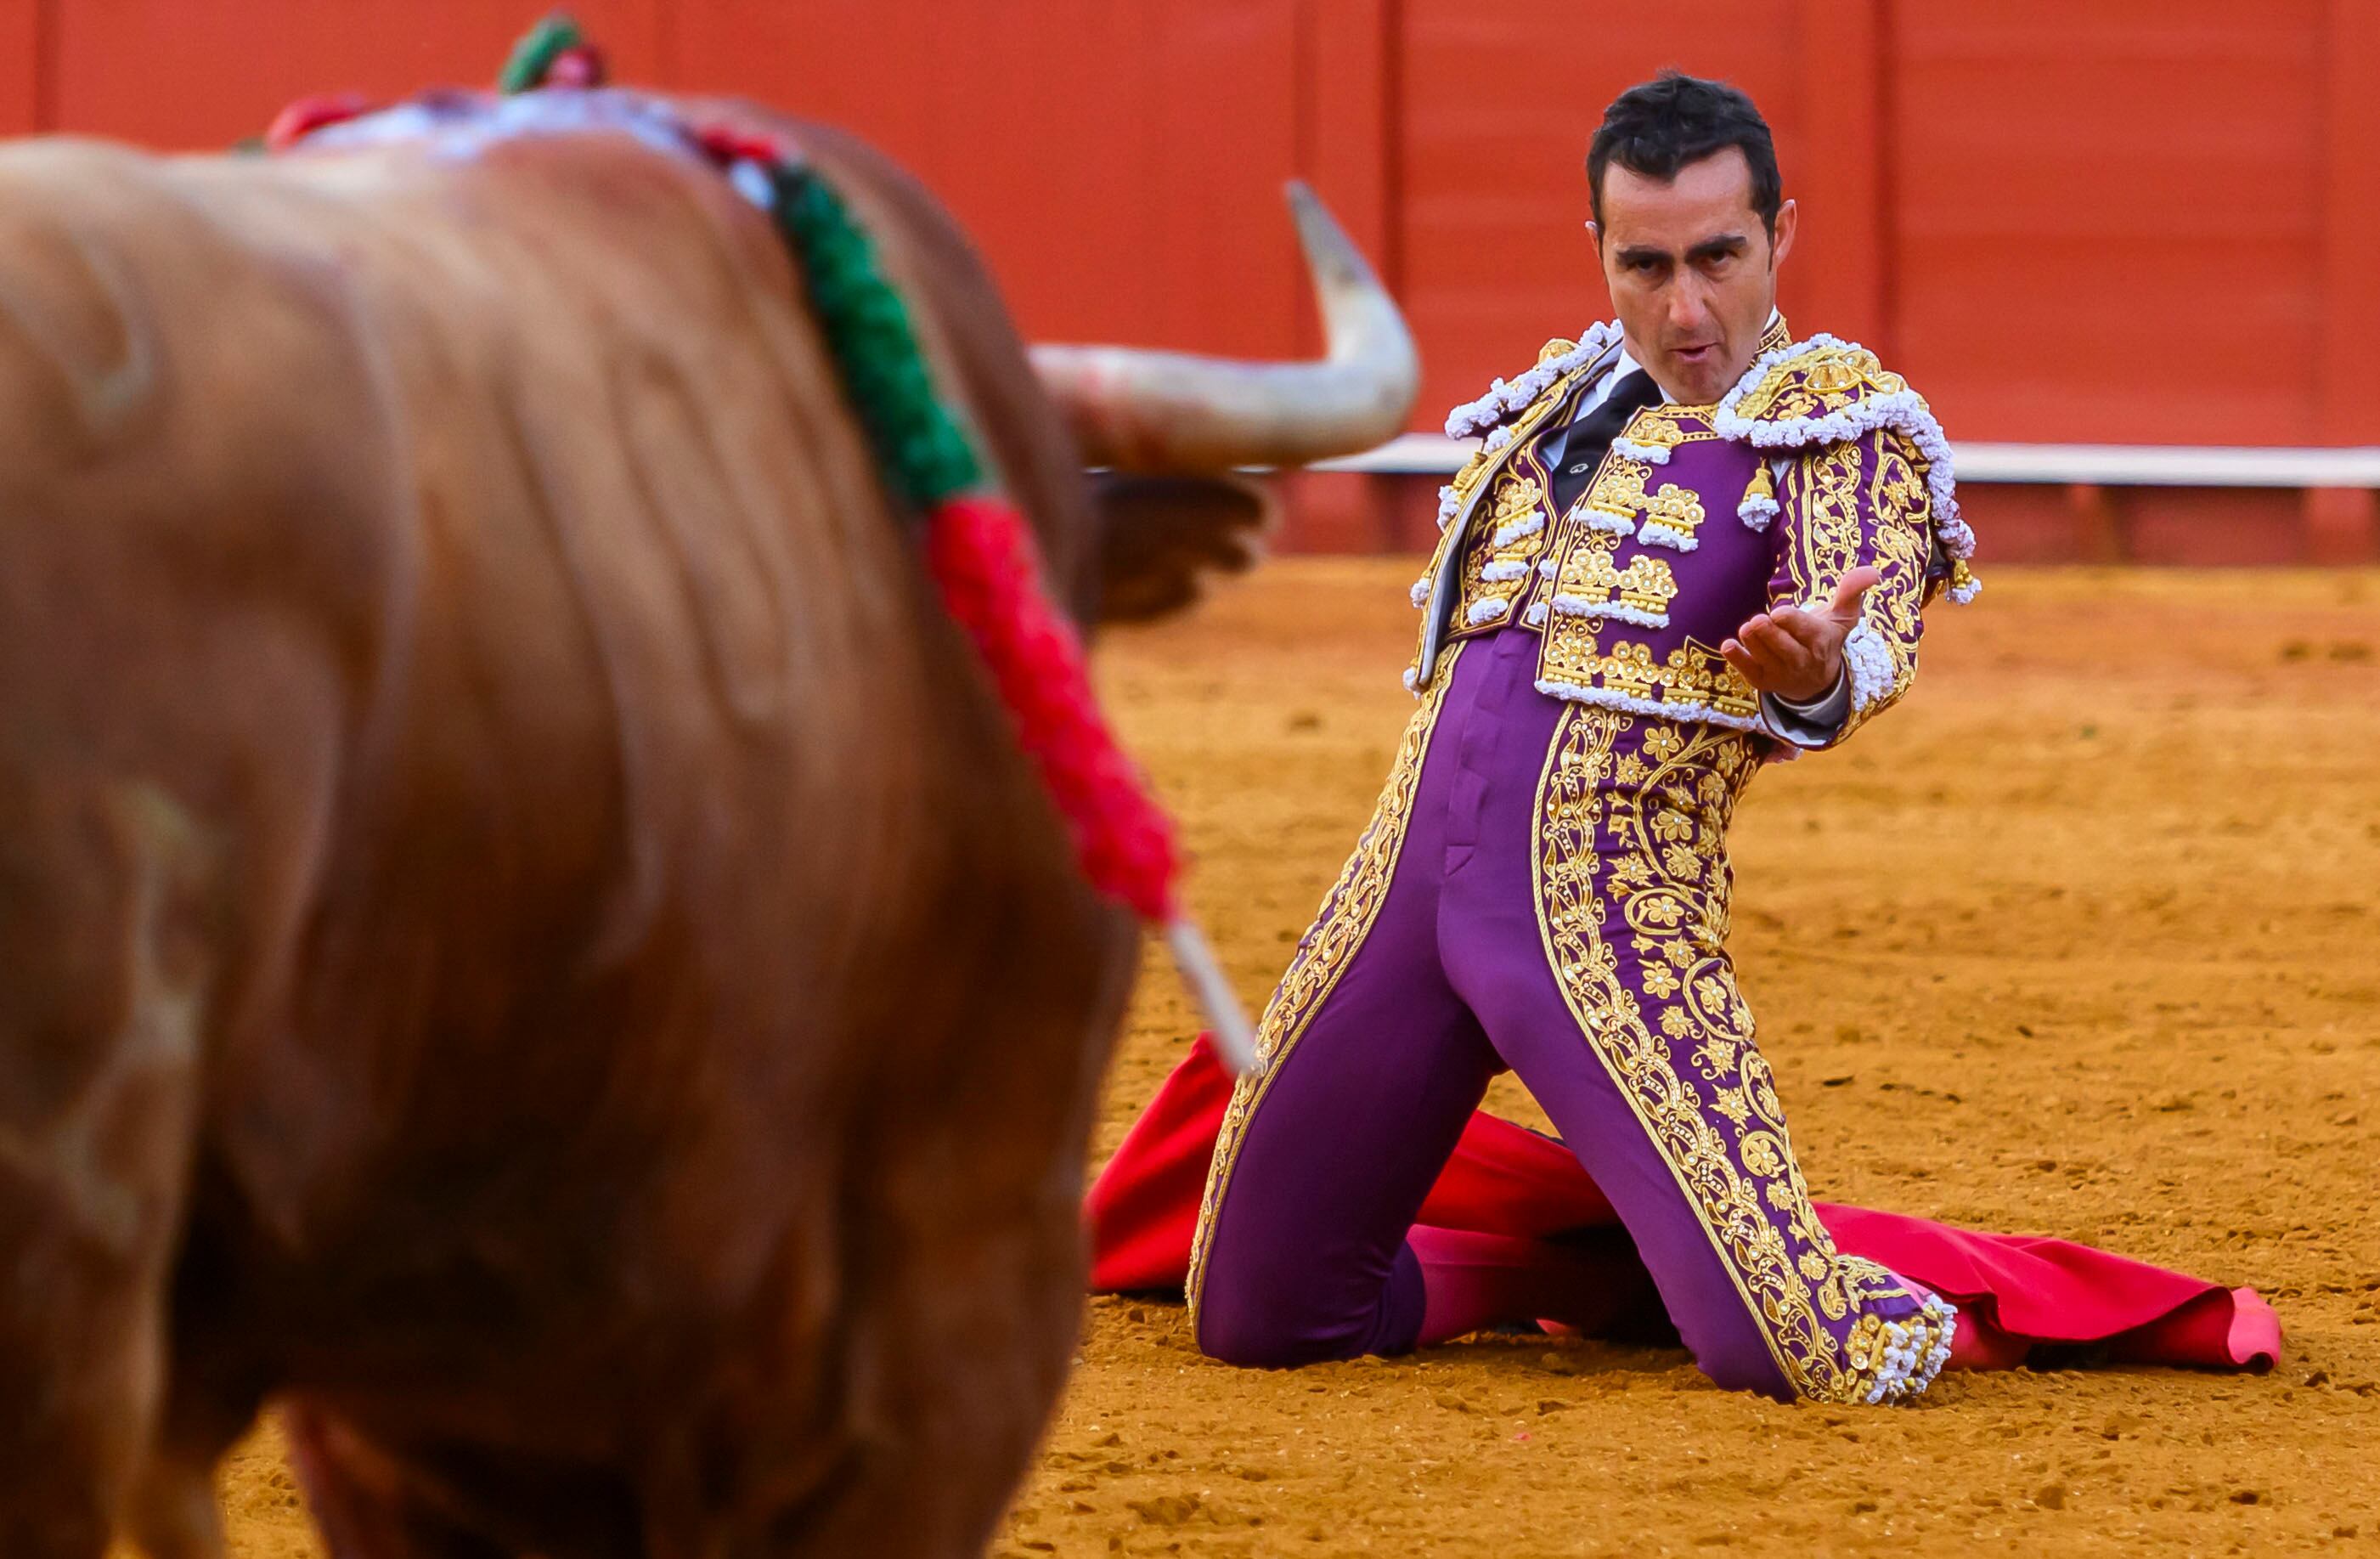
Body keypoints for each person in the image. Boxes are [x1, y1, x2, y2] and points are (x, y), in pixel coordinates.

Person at [1182, 72, 1983, 1405]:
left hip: (1604, 917)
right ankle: (1569, 1279)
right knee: (1260, 1311)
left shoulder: (1835, 421)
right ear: (1599, 254)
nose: (1685, 309)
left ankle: (1747, 1274)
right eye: (1647, 264)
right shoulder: (1539, 410)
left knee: (1797, 1353)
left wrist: (1819, 669)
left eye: (1719, 257)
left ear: (1779, 237)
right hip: (1396, 893)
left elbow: (1866, 622)